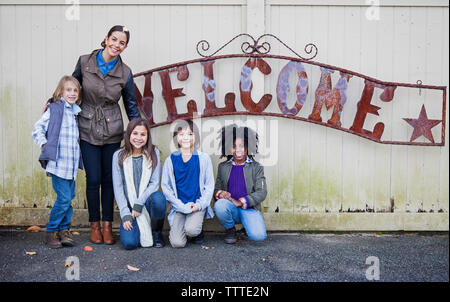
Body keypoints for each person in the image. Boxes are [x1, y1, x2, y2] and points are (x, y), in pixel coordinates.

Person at [72, 25, 140, 244]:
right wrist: (52, 102)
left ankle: (108, 225)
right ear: (106, 39)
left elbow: (131, 105)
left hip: (112, 130)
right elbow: (71, 89)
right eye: (114, 39)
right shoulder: (84, 62)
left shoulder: (126, 72)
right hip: (87, 126)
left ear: (126, 46)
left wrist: (138, 129)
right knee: (93, 178)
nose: (116, 45)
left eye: (122, 42)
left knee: (109, 179)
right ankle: (94, 225)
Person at [32, 75, 84, 249]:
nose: (72, 93)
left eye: (75, 90)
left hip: (70, 166)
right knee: (63, 199)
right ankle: (52, 230)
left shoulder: (76, 112)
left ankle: (63, 230)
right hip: (58, 164)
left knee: (69, 198)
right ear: (61, 92)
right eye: (68, 89)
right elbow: (38, 128)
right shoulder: (54, 109)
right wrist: (44, 144)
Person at [112, 118, 167, 250]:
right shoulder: (118, 155)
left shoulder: (154, 153)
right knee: (130, 243)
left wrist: (140, 203)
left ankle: (156, 232)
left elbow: (154, 183)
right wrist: (125, 213)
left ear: (148, 137)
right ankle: (138, 229)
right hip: (130, 208)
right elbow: (118, 187)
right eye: (135, 133)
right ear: (128, 134)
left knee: (159, 199)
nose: (138, 138)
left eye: (143, 134)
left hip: (146, 203)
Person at [161, 119, 214, 248]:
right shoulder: (170, 160)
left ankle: (196, 231)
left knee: (192, 230)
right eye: (181, 134)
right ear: (176, 137)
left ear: (196, 137)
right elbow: (166, 187)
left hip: (197, 205)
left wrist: (200, 204)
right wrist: (180, 206)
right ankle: (185, 226)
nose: (186, 138)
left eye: (190, 134)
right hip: (180, 206)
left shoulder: (203, 158)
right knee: (177, 243)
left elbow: (209, 186)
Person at [214, 125, 267, 244]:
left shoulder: (256, 167)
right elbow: (216, 189)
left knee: (258, 236)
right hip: (231, 208)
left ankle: (245, 229)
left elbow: (262, 192)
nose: (238, 150)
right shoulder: (223, 167)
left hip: (249, 208)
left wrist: (241, 201)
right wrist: (221, 193)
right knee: (220, 205)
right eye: (234, 146)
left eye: (241, 146)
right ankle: (230, 229)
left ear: (248, 147)